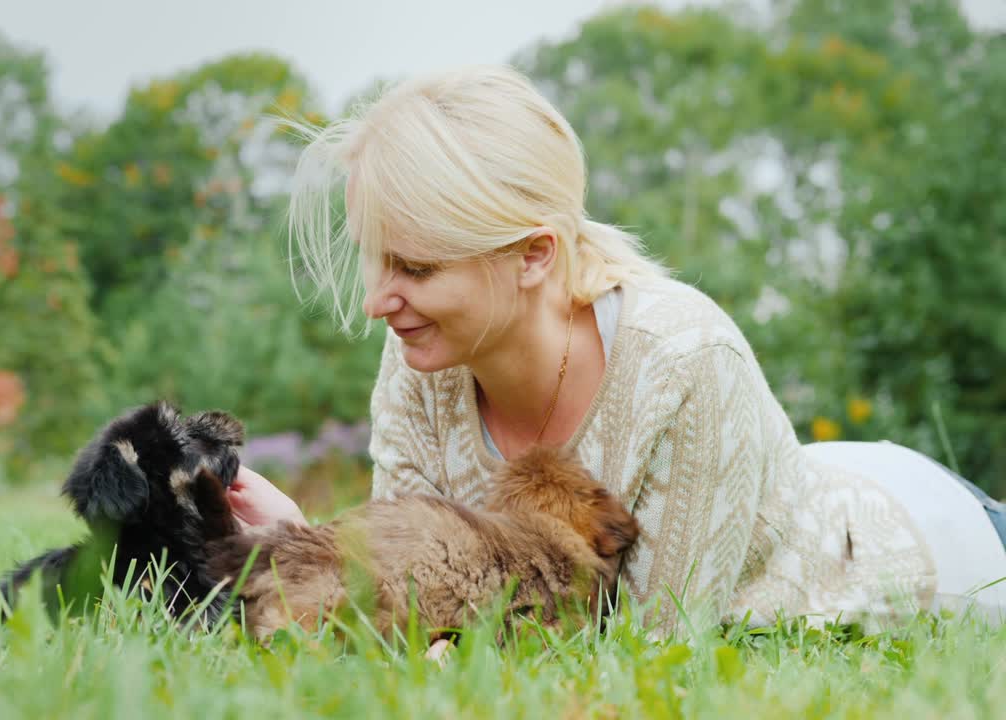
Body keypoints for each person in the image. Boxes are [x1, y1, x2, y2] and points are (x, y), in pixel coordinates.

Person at [225, 64, 1006, 631]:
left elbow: (656, 642)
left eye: (417, 268)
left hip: (926, 542)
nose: (376, 301)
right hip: (833, 471)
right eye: (376, 259)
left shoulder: (687, 360)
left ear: (532, 254)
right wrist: (298, 544)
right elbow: (423, 587)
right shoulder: (420, 358)